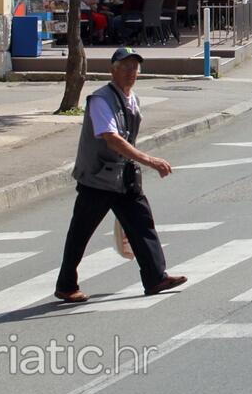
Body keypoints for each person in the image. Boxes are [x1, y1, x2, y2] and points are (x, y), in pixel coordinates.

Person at [54, 48, 186, 303]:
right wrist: (149, 160)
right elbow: (111, 138)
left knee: (142, 224)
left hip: (124, 176)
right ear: (112, 70)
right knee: (80, 232)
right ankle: (66, 285)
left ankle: (155, 277)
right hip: (98, 178)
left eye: (134, 68)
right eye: (125, 67)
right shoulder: (101, 99)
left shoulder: (132, 98)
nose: (131, 72)